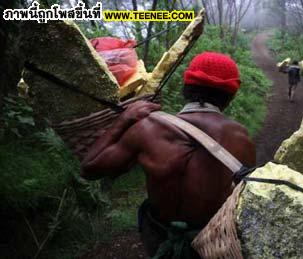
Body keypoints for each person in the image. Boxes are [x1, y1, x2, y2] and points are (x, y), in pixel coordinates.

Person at [80, 52, 256, 258]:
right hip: (208, 244)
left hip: (158, 234)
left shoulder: (146, 128)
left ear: (186, 87)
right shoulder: (240, 139)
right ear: (231, 95)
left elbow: (89, 169)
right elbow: (243, 202)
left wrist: (124, 119)